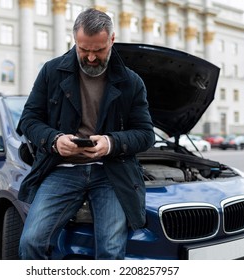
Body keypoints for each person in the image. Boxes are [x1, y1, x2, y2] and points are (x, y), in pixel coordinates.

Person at [16, 8, 154, 260]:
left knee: (111, 252)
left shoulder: (131, 82)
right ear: (74, 40)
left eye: (98, 50)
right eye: (84, 49)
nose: (90, 57)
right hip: (61, 168)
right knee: (31, 241)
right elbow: (29, 120)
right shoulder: (51, 71)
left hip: (111, 172)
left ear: (112, 40)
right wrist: (55, 141)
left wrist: (111, 143)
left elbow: (146, 134)